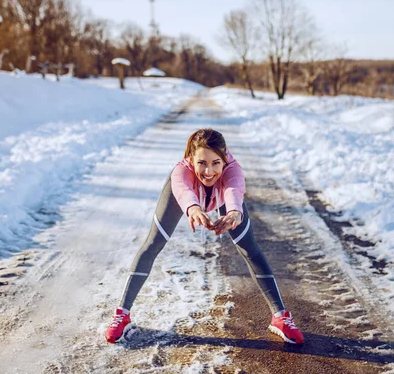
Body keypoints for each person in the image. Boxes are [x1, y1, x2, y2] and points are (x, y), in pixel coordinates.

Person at [105, 128, 304, 344]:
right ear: (191, 158)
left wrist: (234, 212)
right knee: (153, 243)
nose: (209, 171)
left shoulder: (233, 170)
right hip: (185, 198)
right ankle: (121, 315)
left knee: (250, 248)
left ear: (224, 159)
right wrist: (193, 209)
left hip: (224, 200)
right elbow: (184, 191)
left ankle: (280, 317)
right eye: (202, 163)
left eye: (215, 163)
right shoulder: (181, 172)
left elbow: (233, 191)